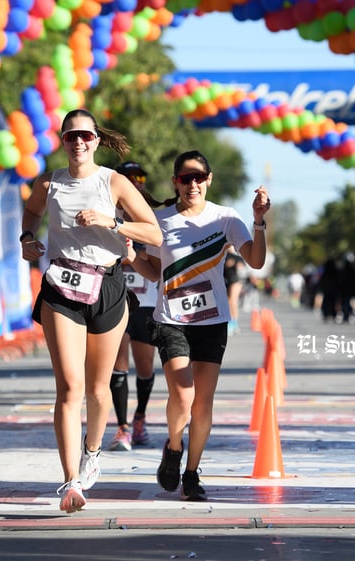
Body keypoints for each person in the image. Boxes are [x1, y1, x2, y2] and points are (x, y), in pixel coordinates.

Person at [19, 109, 162, 513]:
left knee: (99, 390)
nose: (77, 142)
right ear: (62, 141)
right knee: (69, 386)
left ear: (96, 140)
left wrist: (112, 222)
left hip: (108, 285)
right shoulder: (49, 183)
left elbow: (153, 231)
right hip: (61, 287)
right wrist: (27, 238)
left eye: (85, 135)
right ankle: (69, 481)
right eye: (70, 136)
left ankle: (93, 451)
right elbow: (30, 213)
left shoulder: (112, 182)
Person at [130, 150, 270, 501]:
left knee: (203, 403)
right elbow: (151, 272)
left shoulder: (226, 218)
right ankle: (174, 447)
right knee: (182, 392)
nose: (192, 184)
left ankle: (191, 473)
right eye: (184, 178)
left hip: (212, 321)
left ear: (209, 180)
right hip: (170, 320)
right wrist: (130, 254)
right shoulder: (158, 220)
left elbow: (255, 260)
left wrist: (258, 221)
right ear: (175, 182)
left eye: (198, 177)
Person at [106, 161, 166, 451]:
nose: (134, 182)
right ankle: (122, 427)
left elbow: (159, 263)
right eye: (128, 178)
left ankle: (139, 417)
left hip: (147, 302)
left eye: (140, 177)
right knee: (118, 363)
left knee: (144, 367)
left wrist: (134, 256)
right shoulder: (107, 214)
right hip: (115, 299)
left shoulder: (153, 218)